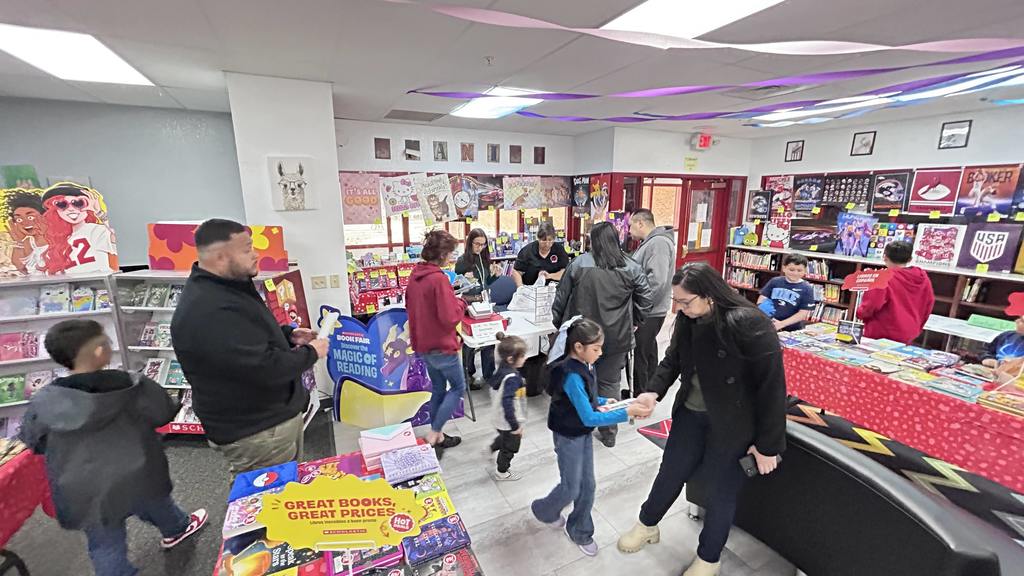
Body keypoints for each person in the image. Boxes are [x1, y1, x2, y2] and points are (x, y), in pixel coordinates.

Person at [618, 263, 787, 576]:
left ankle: (709, 557)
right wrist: (652, 391)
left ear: (709, 296)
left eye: (685, 302)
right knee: (670, 471)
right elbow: (673, 360)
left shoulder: (750, 324)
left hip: (733, 424)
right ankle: (647, 524)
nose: (678, 308)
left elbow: (772, 388)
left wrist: (768, 445)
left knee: (721, 491)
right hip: (690, 414)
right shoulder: (687, 320)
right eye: (676, 301)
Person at [19, 320, 208, 576]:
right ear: (99, 352)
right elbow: (163, 412)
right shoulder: (134, 386)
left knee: (104, 544)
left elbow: (33, 439)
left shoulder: (44, 401)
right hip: (139, 471)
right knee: (156, 502)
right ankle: (177, 529)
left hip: (83, 486)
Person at [172, 219, 328, 474]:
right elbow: (262, 367)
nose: (256, 254)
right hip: (257, 429)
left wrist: (288, 335)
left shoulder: (227, 286)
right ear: (221, 257)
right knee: (264, 500)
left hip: (270, 420)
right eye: (246, 249)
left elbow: (244, 339)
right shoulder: (210, 308)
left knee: (285, 490)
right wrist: (312, 353)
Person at [531, 318, 652, 557]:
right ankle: (544, 510)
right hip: (568, 436)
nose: (600, 353)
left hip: (580, 434)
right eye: (596, 348)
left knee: (588, 485)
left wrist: (606, 402)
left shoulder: (586, 365)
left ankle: (579, 530)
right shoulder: (571, 374)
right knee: (571, 487)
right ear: (578, 347)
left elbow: (588, 400)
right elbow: (588, 418)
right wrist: (626, 412)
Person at [552, 221, 653, 447]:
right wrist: (636, 321)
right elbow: (647, 301)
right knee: (610, 383)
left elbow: (561, 298)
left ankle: (580, 424)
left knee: (579, 380)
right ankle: (609, 432)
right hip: (617, 336)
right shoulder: (632, 266)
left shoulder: (579, 264)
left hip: (583, 337)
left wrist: (560, 325)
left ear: (592, 240)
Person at [406, 229, 468, 452]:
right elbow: (450, 317)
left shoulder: (415, 276)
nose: (452, 257)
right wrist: (461, 303)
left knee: (439, 388)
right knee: (458, 388)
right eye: (451, 253)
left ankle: (439, 435)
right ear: (442, 254)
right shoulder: (439, 280)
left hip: (424, 345)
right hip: (442, 346)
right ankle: (434, 433)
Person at [628, 208, 677, 395]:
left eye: (632, 225)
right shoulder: (650, 243)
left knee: (640, 351)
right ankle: (650, 388)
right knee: (649, 350)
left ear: (641, 223)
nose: (629, 230)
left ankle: (639, 394)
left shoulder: (658, 244)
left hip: (650, 310)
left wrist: (641, 307)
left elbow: (657, 281)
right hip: (649, 308)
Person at [856, 240, 935, 344]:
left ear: (884, 257)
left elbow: (870, 306)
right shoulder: (923, 278)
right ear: (910, 259)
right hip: (910, 332)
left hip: (881, 333)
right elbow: (929, 304)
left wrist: (859, 313)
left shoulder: (882, 278)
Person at [454, 229, 502, 390]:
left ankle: (489, 374)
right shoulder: (462, 261)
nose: (480, 247)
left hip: (484, 303)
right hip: (468, 305)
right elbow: (456, 288)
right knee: (469, 342)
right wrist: (464, 282)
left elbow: (486, 282)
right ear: (470, 243)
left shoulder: (484, 259)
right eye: (477, 244)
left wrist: (495, 276)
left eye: (483, 244)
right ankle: (468, 375)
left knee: (489, 338)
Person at [487, 333, 529, 482]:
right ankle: (502, 471)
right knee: (510, 447)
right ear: (511, 359)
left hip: (498, 417)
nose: (525, 358)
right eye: (523, 356)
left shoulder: (502, 366)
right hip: (509, 420)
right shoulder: (512, 378)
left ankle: (492, 448)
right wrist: (515, 426)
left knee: (503, 437)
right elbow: (508, 403)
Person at [757, 253, 816, 332]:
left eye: (799, 270)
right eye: (791, 270)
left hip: (792, 328)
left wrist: (781, 324)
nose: (795, 273)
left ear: (805, 271)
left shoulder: (807, 288)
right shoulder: (775, 281)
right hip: (769, 323)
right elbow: (762, 299)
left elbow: (803, 313)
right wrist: (768, 317)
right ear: (784, 268)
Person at [512, 221, 569, 286]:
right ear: (538, 238)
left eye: (550, 240)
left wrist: (550, 276)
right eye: (544, 240)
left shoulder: (559, 249)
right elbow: (516, 272)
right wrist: (520, 288)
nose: (547, 244)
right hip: (531, 290)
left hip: (554, 289)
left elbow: (565, 272)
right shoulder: (527, 251)